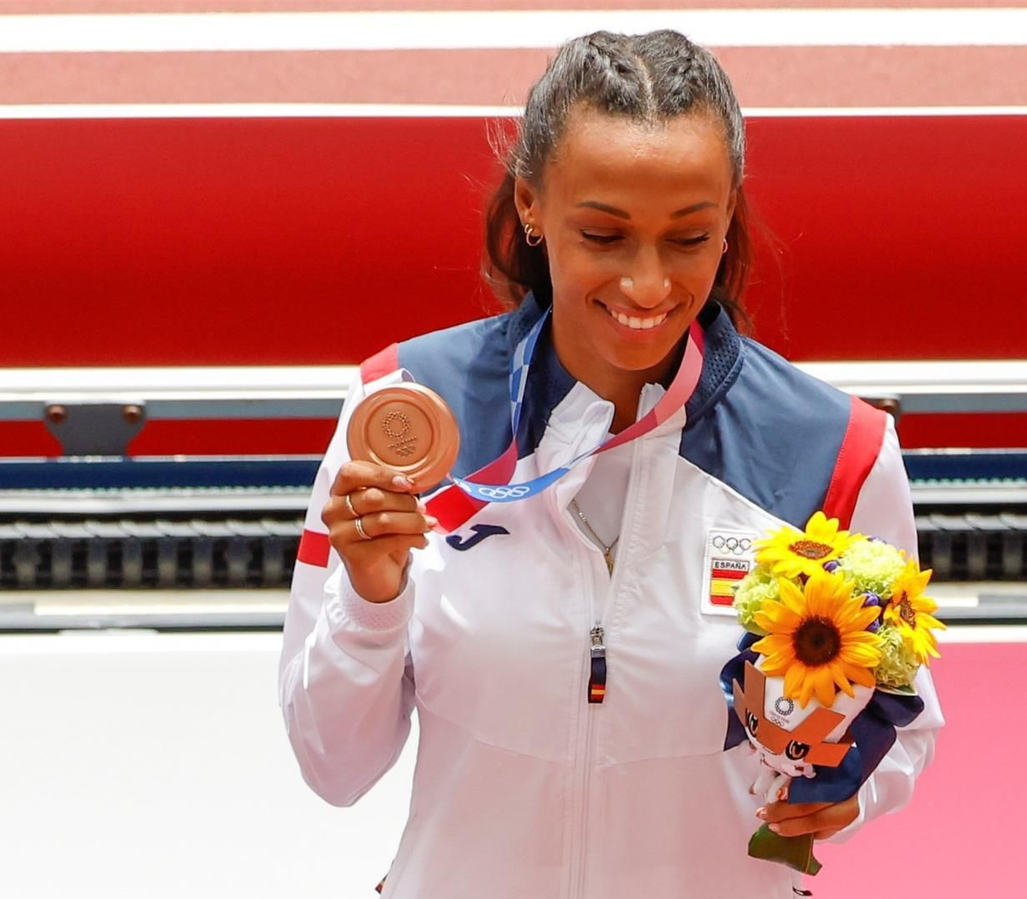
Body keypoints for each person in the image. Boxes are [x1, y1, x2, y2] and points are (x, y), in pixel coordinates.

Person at [278, 29, 942, 898]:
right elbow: (333, 766)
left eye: (688, 237)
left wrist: (846, 794)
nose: (647, 283)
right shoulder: (402, 414)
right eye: (604, 234)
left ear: (728, 217)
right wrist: (371, 600)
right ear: (530, 206)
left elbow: (907, 723)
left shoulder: (833, 452)